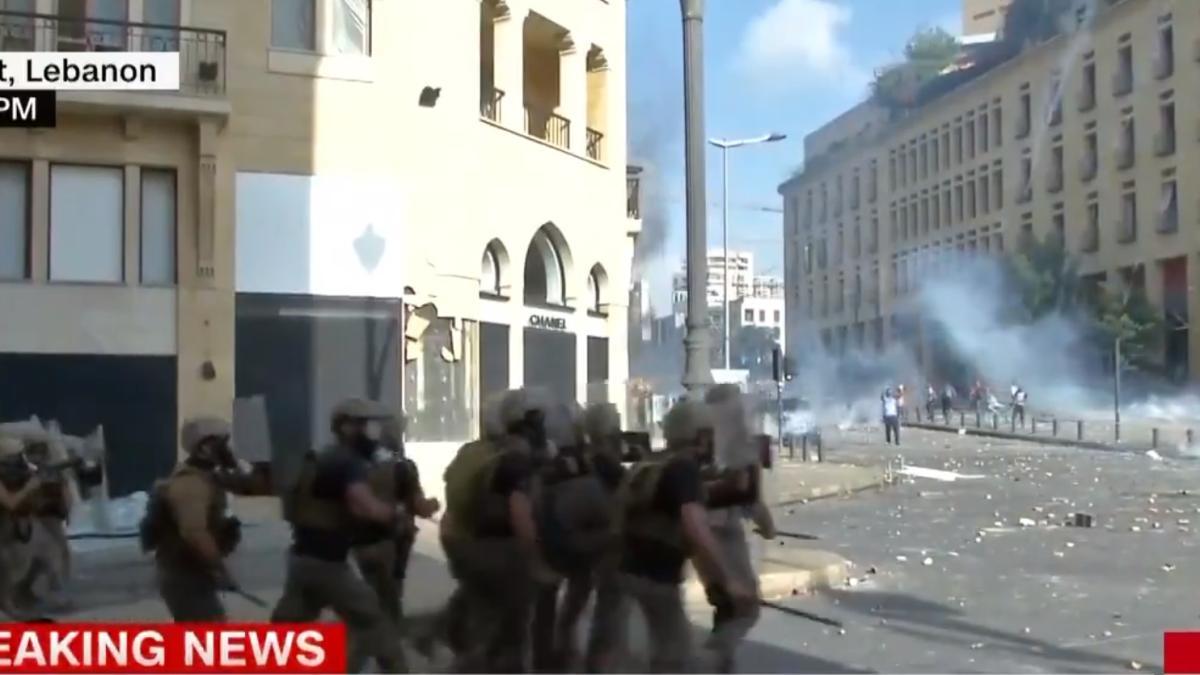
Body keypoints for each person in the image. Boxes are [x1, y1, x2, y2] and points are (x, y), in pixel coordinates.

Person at [610, 398, 755, 673]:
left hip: (627, 574)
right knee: (676, 659)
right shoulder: (683, 469)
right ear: (700, 436)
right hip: (656, 580)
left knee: (658, 654)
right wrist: (729, 580)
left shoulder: (650, 463)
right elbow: (696, 528)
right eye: (710, 434)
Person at [272, 398, 410, 673]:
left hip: (303, 558)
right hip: (327, 565)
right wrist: (394, 515)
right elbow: (364, 505)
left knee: (287, 629)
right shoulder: (347, 463)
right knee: (374, 620)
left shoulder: (320, 457)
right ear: (346, 427)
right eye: (363, 425)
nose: (370, 433)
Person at [437, 388, 554, 673]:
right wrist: (536, 562)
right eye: (538, 420)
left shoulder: (474, 452)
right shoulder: (514, 462)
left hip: (468, 545)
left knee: (483, 618)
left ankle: (445, 641)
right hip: (502, 555)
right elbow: (521, 517)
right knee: (506, 635)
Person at [142, 416, 267, 622]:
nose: (227, 449)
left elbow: (249, 485)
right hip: (184, 576)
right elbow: (194, 533)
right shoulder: (191, 483)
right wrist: (220, 569)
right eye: (221, 444)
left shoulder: (207, 477)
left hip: (192, 573)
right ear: (205, 448)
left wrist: (241, 469)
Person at [702, 384, 775, 674]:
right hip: (725, 532)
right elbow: (752, 499)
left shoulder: (703, 437)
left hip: (698, 533)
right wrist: (768, 526)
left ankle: (721, 664)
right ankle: (708, 661)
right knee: (746, 606)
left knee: (724, 605)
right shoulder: (741, 443)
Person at [351, 405, 440, 626]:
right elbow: (419, 506)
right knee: (390, 596)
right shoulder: (402, 467)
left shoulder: (356, 463)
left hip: (359, 539)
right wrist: (434, 504)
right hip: (392, 540)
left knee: (371, 589)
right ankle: (384, 644)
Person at [578, 403, 629, 674]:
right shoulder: (605, 461)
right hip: (608, 541)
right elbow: (624, 487)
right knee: (610, 613)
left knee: (600, 610)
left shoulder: (584, 457)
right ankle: (601, 666)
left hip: (589, 536)